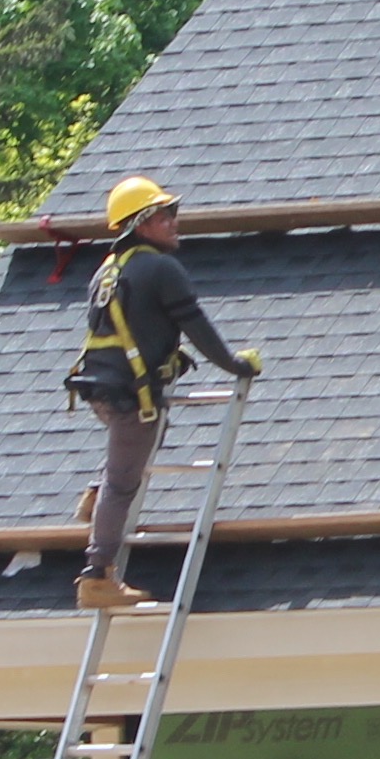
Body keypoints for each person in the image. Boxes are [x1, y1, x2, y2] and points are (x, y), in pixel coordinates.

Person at [64, 175, 258, 611]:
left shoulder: (108, 270)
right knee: (124, 482)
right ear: (141, 223)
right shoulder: (160, 268)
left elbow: (136, 329)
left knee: (135, 451)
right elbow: (197, 326)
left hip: (102, 387)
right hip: (131, 394)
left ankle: (95, 496)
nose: (174, 222)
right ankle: (97, 575)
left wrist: (169, 360)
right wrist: (236, 365)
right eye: (165, 215)